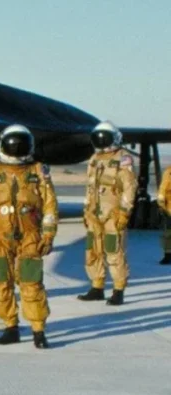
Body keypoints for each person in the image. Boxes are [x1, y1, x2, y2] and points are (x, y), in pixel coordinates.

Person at [0, 125, 58, 348]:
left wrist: (48, 236)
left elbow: (49, 206)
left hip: (30, 238)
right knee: (2, 285)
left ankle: (38, 331)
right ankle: (10, 327)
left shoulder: (38, 172)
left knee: (32, 284)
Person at [78, 121, 136, 305]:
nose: (102, 142)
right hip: (94, 213)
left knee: (114, 250)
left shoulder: (123, 158)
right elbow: (90, 186)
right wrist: (86, 209)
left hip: (113, 213)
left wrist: (125, 212)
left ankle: (118, 290)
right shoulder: (95, 158)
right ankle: (97, 286)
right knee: (92, 250)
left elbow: (129, 187)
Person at [158, 167, 171, 265]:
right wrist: (162, 204)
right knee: (168, 233)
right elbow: (163, 189)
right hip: (169, 208)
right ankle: (168, 255)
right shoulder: (169, 172)